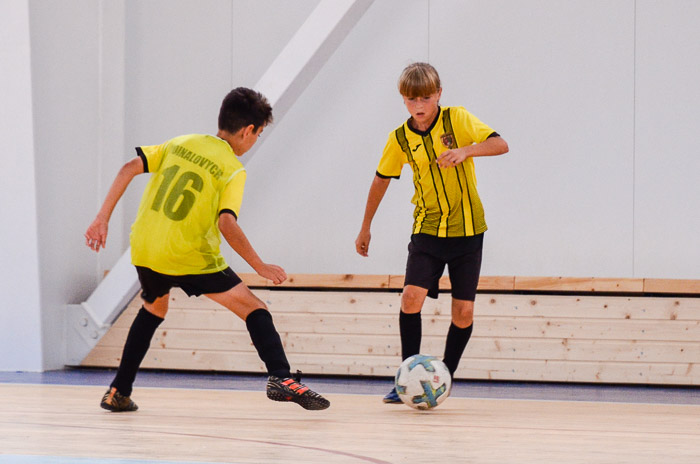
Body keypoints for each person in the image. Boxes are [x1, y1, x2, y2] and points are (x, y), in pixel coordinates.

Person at [85, 87, 330, 412]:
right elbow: (227, 224)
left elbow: (129, 167)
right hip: (190, 254)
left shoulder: (181, 142)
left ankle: (119, 391)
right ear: (247, 131)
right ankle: (281, 378)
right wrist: (260, 265)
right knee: (254, 308)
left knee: (154, 309)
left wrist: (101, 218)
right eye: (257, 134)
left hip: (145, 246)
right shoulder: (232, 168)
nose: (254, 140)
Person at [355, 63, 508, 403]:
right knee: (410, 299)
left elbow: (500, 144)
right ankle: (406, 378)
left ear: (439, 94)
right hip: (427, 229)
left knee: (463, 312)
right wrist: (366, 226)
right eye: (411, 99)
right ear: (404, 101)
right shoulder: (399, 138)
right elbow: (381, 179)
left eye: (426, 97)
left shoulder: (458, 119)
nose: (419, 104)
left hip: (468, 232)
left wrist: (466, 150)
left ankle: (444, 378)